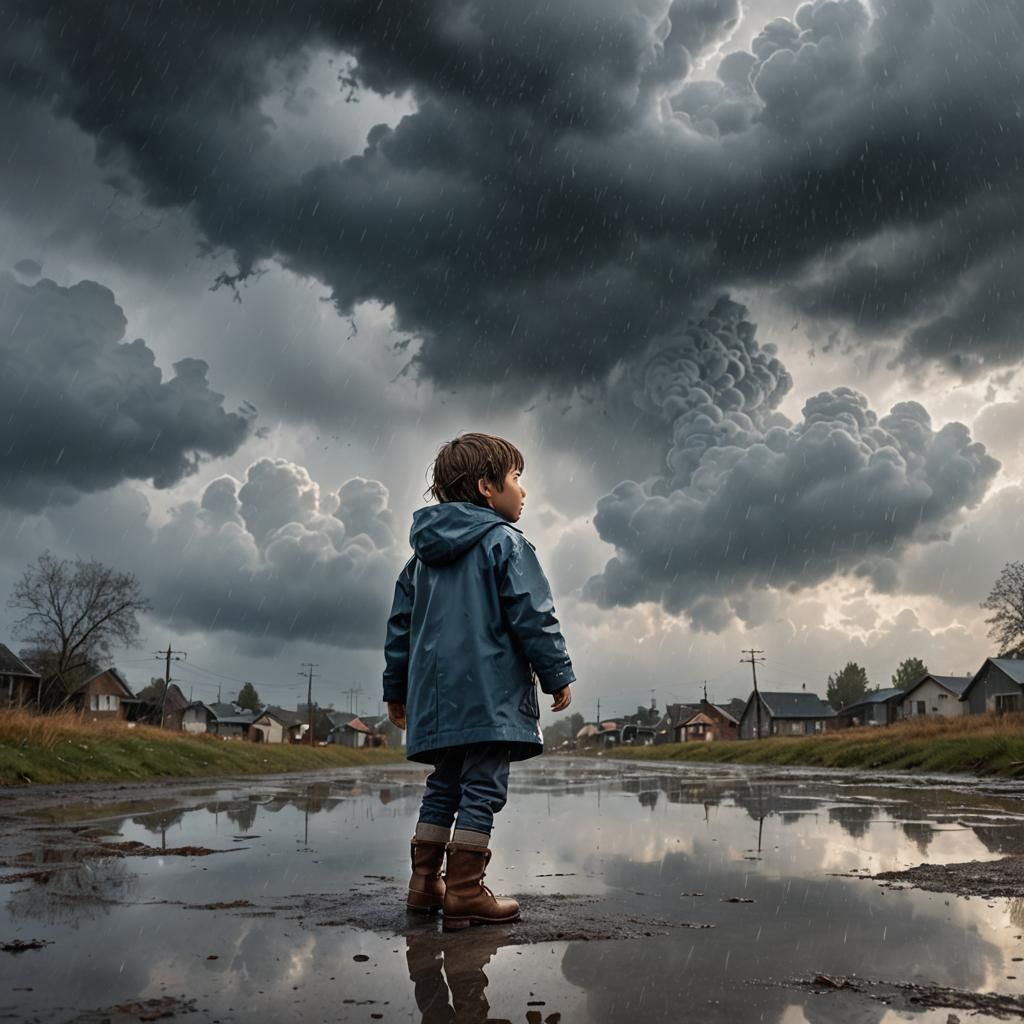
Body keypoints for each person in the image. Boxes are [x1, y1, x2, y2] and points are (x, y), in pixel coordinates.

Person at [382, 432, 575, 931]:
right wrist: (557, 674)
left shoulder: (419, 560)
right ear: (488, 487)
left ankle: (425, 885)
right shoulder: (505, 544)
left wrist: (396, 692)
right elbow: (533, 615)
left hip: (439, 703)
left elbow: (400, 628)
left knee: (443, 785)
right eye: (516, 479)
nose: (524, 491)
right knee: (483, 787)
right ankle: (466, 891)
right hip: (490, 698)